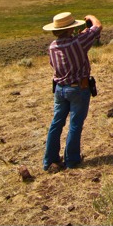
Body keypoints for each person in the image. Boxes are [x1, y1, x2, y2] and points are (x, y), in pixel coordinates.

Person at [42, 11, 102, 172]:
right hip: (78, 88)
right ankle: (72, 160)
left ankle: (49, 160)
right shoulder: (78, 43)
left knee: (56, 124)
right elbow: (97, 27)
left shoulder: (53, 47)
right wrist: (90, 17)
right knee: (75, 124)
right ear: (70, 29)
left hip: (59, 89)